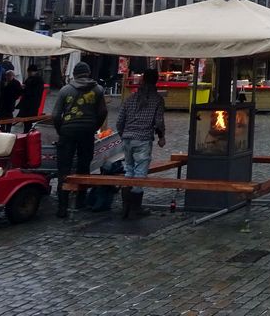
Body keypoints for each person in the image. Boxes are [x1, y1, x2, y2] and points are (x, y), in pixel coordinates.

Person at [51, 61, 107, 218]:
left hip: (68, 131)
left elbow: (55, 115)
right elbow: (103, 111)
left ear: (74, 74)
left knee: (64, 168)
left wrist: (60, 129)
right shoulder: (98, 89)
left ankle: (62, 206)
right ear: (88, 73)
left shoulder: (65, 90)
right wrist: (94, 125)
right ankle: (80, 201)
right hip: (87, 131)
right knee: (84, 165)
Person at [116, 69, 166, 219]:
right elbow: (158, 121)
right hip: (143, 138)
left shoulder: (130, 99)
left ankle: (126, 206)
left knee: (129, 170)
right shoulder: (157, 99)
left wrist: (123, 134)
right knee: (139, 173)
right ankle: (135, 208)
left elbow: (119, 121)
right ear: (156, 81)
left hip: (127, 138)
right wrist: (161, 136)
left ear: (143, 80)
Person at [17, 64, 46, 133]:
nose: (28, 74)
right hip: (30, 103)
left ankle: (27, 132)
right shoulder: (32, 78)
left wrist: (24, 88)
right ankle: (27, 132)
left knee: (29, 119)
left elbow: (33, 91)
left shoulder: (36, 79)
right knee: (27, 120)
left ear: (32, 71)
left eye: (29, 72)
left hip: (31, 103)